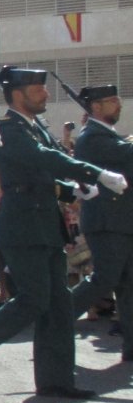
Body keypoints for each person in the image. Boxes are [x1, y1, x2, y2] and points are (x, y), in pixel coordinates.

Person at [0, 67, 126, 401]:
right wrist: (96, 174)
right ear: (18, 94)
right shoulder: (7, 130)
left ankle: (55, 380)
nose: (46, 94)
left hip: (46, 223)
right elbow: (41, 158)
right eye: (38, 89)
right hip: (21, 225)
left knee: (58, 305)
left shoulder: (36, 128)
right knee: (35, 298)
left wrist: (72, 188)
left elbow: (47, 169)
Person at [68, 85, 133, 361]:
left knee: (129, 284)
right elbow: (127, 154)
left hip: (121, 221)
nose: (119, 104)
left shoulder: (107, 135)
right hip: (106, 221)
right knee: (105, 278)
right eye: (112, 101)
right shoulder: (92, 137)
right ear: (96, 107)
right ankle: (58, 315)